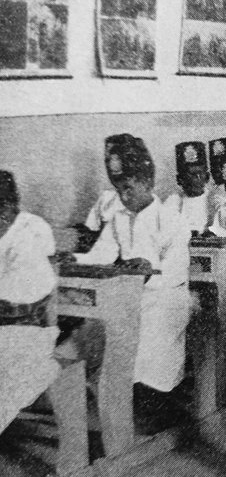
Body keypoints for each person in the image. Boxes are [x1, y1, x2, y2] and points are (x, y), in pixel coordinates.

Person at [66, 139, 192, 394]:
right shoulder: (119, 218)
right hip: (130, 296)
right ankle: (115, 395)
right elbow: (100, 255)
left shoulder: (171, 219)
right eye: (118, 189)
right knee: (100, 335)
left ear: (147, 183)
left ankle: (150, 397)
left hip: (166, 297)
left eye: (129, 188)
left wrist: (148, 271)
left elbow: (176, 272)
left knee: (143, 343)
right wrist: (72, 259)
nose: (123, 197)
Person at [0, 171, 60, 434]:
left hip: (28, 331)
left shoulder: (30, 231)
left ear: (9, 208)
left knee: (13, 375)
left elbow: (22, 301)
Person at [77, 134, 138, 250]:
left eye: (117, 158)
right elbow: (90, 236)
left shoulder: (145, 200)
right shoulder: (107, 197)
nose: (111, 165)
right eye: (108, 159)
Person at [165, 141, 215, 234]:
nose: (195, 180)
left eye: (199, 174)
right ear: (179, 179)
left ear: (207, 177)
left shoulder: (214, 201)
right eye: (190, 175)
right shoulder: (173, 202)